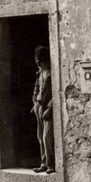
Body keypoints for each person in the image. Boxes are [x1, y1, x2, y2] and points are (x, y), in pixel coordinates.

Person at [32, 45, 55, 173]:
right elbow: (36, 89)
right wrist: (35, 102)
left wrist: (50, 109)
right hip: (39, 107)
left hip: (48, 108)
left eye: (40, 61)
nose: (39, 64)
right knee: (40, 137)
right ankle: (44, 163)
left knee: (47, 137)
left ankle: (51, 164)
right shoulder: (40, 73)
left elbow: (55, 95)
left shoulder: (52, 74)